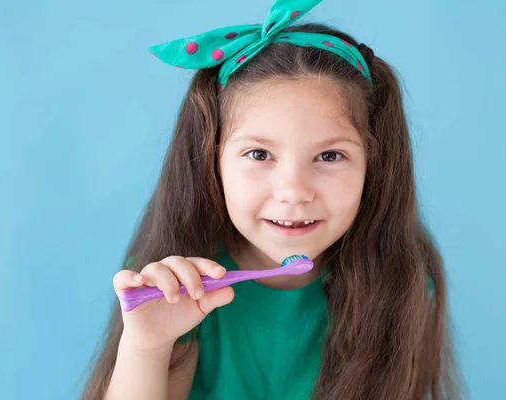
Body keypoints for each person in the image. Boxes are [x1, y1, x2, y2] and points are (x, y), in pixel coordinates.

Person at [82, 0, 461, 398]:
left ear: (375, 166)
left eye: (330, 156)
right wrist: (147, 348)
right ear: (212, 162)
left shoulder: (401, 285)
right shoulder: (170, 287)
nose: (294, 191)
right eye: (260, 155)